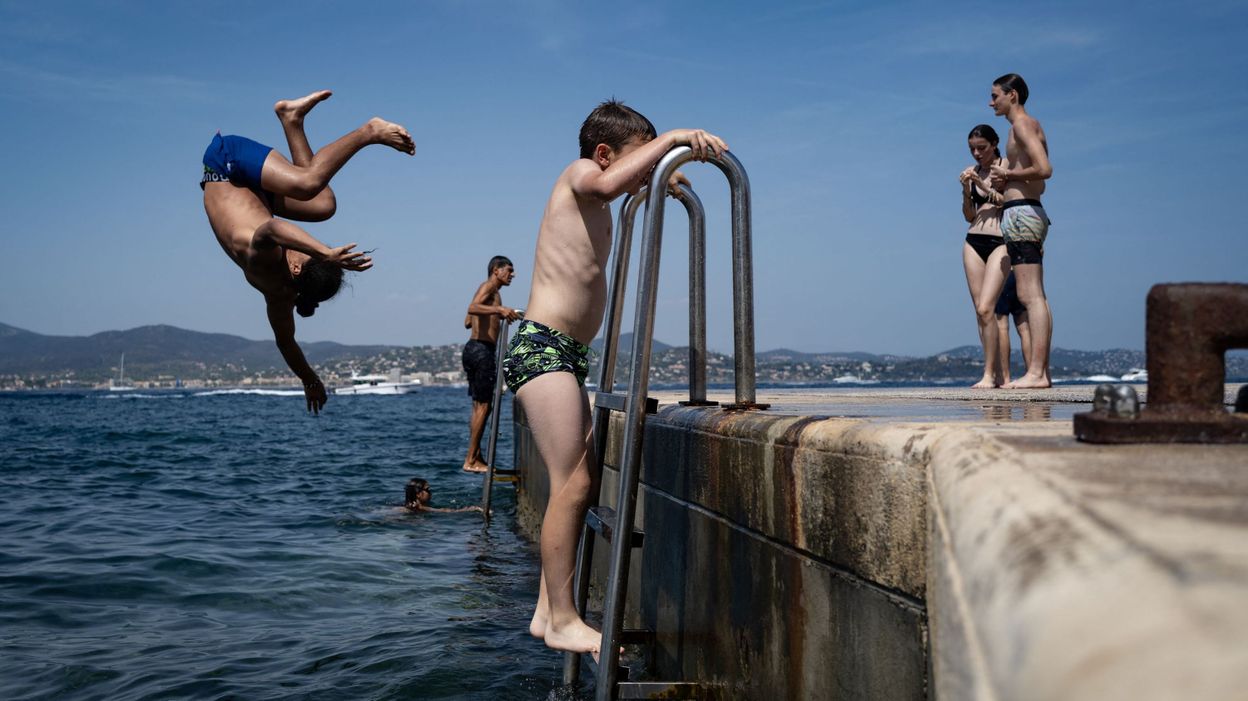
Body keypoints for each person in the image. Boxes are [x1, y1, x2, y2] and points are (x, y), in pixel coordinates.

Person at [501, 99, 725, 659]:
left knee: (577, 480)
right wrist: (672, 137)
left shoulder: (600, 187)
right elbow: (605, 187)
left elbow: (622, 186)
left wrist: (657, 182)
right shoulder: (579, 174)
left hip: (565, 352)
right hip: (543, 348)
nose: (644, 170)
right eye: (638, 159)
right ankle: (565, 619)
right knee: (574, 483)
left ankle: (545, 611)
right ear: (604, 154)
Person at [201, 90, 415, 414]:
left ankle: (369, 131)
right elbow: (286, 342)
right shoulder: (281, 295)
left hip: (224, 166)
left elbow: (272, 229)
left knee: (308, 183)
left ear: (299, 269)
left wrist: (324, 252)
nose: (303, 246)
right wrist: (310, 379)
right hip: (255, 195)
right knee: (323, 203)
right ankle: (292, 121)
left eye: (306, 253)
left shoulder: (267, 262)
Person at [989, 73, 1054, 389]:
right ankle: (1041, 371)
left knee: (1031, 295)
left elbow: (1044, 170)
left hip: (1024, 213)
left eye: (995, 95)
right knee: (1034, 295)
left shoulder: (1022, 125)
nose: (991, 102)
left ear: (1011, 95)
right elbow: (1036, 175)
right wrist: (1009, 179)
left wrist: (1007, 173)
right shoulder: (1029, 127)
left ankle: (1037, 373)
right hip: (1024, 212)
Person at [958, 124, 1011, 388]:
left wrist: (982, 183)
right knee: (980, 313)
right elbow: (969, 214)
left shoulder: (1005, 165)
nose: (977, 154)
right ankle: (992, 373)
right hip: (973, 239)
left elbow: (1009, 201)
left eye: (981, 148)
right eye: (972, 150)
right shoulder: (975, 172)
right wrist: (967, 188)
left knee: (987, 307)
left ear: (994, 144)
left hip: (1000, 240)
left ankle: (993, 374)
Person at [462, 256, 519, 473]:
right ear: (496, 270)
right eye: (509, 270)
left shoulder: (491, 293)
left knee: (480, 407)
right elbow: (473, 307)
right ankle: (470, 459)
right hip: (482, 350)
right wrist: (499, 311)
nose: (512, 275)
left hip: (474, 349)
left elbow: (468, 321)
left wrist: (494, 318)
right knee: (484, 406)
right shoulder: (489, 288)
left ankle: (476, 456)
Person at [993, 273, 1031, 385]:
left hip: (1003, 275)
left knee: (1002, 327)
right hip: (1020, 275)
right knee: (1024, 330)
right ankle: (1030, 372)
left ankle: (1005, 376)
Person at [404, 478, 484, 513]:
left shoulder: (409, 506)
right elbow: (444, 511)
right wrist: (472, 508)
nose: (431, 492)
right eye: (427, 490)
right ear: (418, 494)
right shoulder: (421, 508)